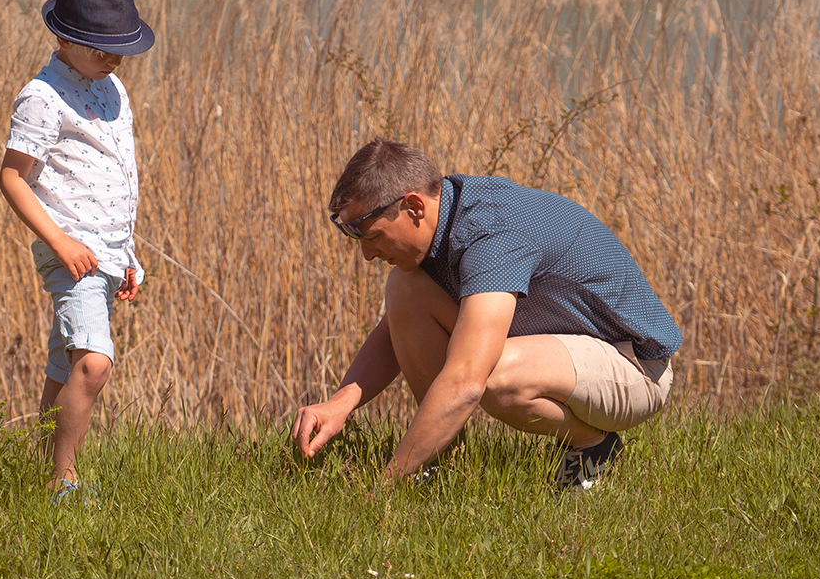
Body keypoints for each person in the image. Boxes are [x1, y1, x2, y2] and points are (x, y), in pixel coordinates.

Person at [291, 139, 683, 490]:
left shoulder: (491, 234)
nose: (367, 254)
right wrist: (338, 404)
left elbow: (466, 382)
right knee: (405, 288)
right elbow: (396, 331)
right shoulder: (449, 217)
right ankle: (438, 460)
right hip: (569, 353)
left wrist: (384, 488)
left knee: (491, 374)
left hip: (635, 366)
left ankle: (593, 446)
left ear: (413, 206)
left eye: (373, 236)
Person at [0, 0, 154, 498]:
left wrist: (127, 253)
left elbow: (119, 175)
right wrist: (60, 242)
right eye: (101, 48)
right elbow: (13, 178)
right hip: (70, 249)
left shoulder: (115, 90)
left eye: (121, 48)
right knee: (93, 361)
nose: (114, 58)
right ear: (64, 38)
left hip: (108, 252)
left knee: (66, 366)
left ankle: (38, 471)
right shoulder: (42, 96)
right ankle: (62, 479)